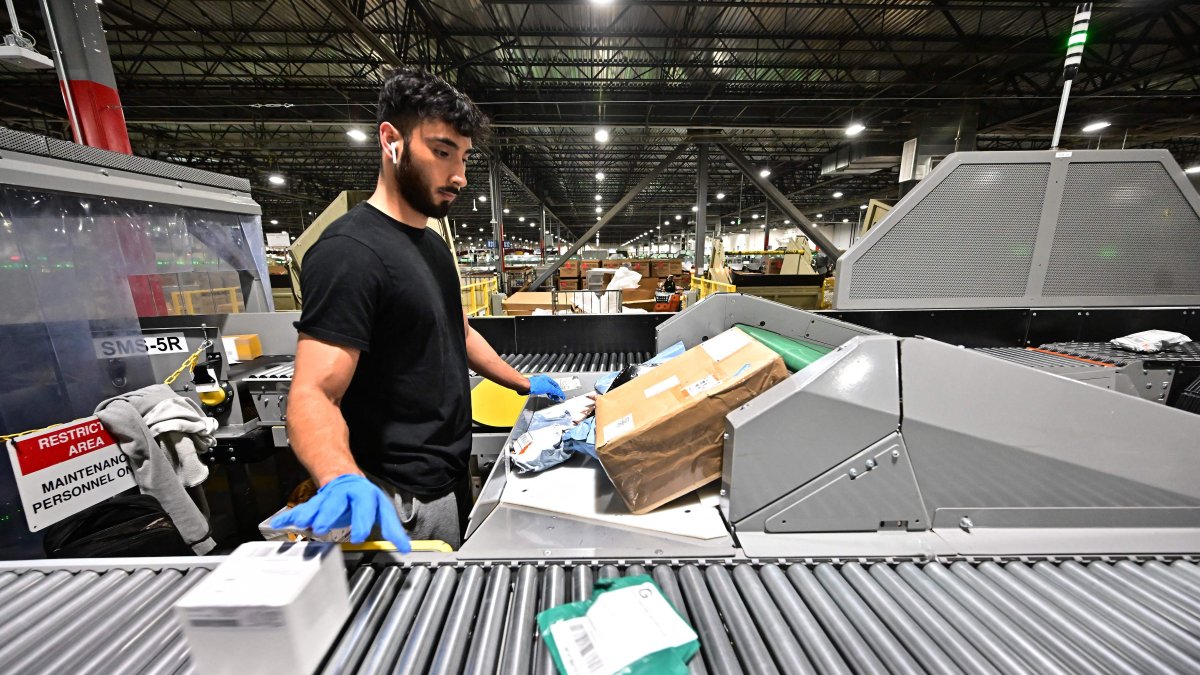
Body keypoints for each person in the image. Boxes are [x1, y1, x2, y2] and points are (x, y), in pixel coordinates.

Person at [272, 68, 565, 551]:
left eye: (465, 157)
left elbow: (457, 329)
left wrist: (521, 381)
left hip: (448, 474)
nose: (459, 176)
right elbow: (312, 394)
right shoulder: (350, 252)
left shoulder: (431, 244)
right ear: (392, 141)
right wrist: (339, 477)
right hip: (397, 498)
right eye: (442, 151)